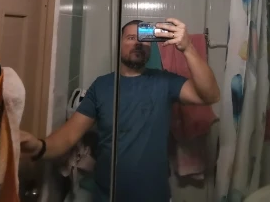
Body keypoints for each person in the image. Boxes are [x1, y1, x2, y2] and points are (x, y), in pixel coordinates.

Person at [20, 18, 220, 201]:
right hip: (107, 196)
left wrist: (188, 48)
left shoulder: (165, 81)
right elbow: (68, 136)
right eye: (131, 38)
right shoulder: (102, 86)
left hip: (154, 195)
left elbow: (210, 96)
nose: (138, 43)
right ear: (120, 44)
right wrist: (38, 147)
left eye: (144, 39)